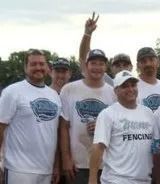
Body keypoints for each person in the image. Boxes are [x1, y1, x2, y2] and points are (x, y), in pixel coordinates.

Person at [0, 49, 61, 183]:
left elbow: (54, 133)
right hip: (19, 169)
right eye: (33, 64)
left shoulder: (54, 95)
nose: (38, 67)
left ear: (47, 67)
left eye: (41, 64)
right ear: (25, 67)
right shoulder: (12, 92)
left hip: (46, 170)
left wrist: (56, 165)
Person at [88, 70, 156, 184]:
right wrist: (92, 180)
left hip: (144, 180)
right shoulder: (107, 114)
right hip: (116, 180)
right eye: (125, 86)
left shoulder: (148, 112)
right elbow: (98, 148)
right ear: (116, 90)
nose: (130, 89)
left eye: (133, 85)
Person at [59, 49, 115, 184]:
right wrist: (66, 158)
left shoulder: (113, 93)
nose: (97, 67)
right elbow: (63, 127)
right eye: (93, 63)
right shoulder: (69, 89)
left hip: (107, 163)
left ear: (105, 67)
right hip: (78, 164)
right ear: (86, 65)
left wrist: (103, 127)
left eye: (101, 64)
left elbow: (119, 126)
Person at [79, 12, 133, 86]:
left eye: (125, 65)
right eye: (117, 66)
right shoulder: (107, 83)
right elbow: (85, 57)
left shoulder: (140, 86)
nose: (121, 69)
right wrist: (87, 33)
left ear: (131, 67)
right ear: (111, 68)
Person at [136, 47, 160, 112]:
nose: (148, 64)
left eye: (151, 60)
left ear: (158, 63)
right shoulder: (132, 88)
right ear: (138, 65)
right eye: (143, 61)